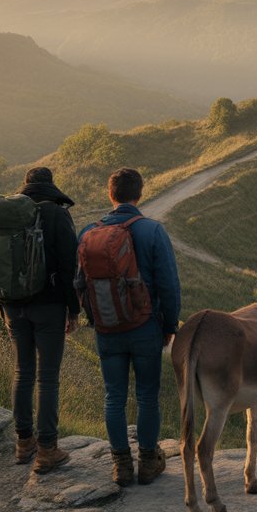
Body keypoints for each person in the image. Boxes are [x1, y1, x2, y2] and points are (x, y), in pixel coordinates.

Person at [78, 167, 180, 487]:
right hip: (146, 327)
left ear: (111, 195)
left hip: (108, 331)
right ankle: (148, 461)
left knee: (114, 397)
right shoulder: (152, 231)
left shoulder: (87, 233)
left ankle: (121, 464)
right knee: (148, 395)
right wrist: (169, 325)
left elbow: (79, 285)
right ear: (140, 194)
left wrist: (96, 320)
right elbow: (168, 285)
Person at [1, 167, 80, 473]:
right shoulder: (57, 215)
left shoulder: (5, 215)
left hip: (11, 304)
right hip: (48, 306)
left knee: (22, 371)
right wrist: (73, 310)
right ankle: (48, 449)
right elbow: (68, 265)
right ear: (50, 186)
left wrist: (1, 304)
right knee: (47, 377)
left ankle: (23, 444)